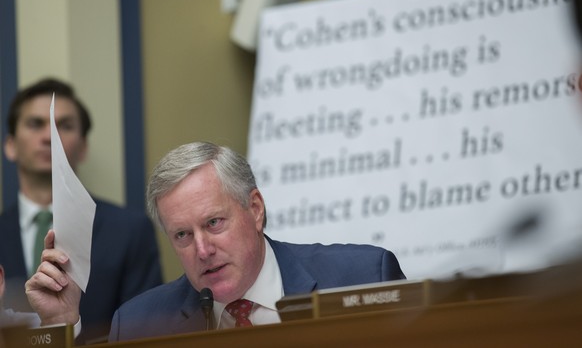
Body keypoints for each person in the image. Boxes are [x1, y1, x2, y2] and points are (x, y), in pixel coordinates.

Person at [26, 141, 405, 342]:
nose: (203, 250)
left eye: (214, 223)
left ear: (255, 209)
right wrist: (60, 326)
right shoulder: (142, 323)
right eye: (182, 235)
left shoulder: (364, 276)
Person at [0, 78, 163, 343]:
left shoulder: (130, 231)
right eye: (35, 124)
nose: (47, 136)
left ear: (84, 146)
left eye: (63, 125)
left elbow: (145, 333)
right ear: (10, 145)